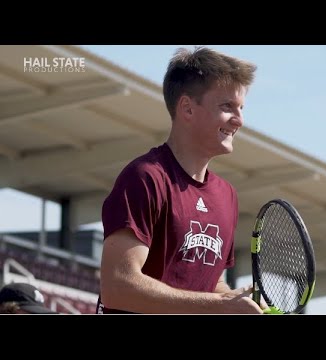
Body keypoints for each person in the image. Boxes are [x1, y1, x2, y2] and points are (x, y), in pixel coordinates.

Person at [97, 46, 264, 314]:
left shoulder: (227, 195)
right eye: (227, 106)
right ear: (187, 108)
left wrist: (240, 301)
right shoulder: (145, 177)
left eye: (241, 107)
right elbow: (117, 287)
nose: (239, 120)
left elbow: (209, 284)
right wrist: (220, 305)